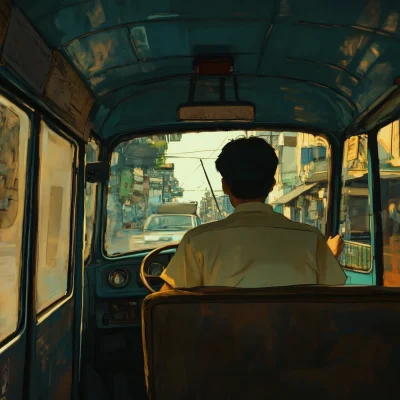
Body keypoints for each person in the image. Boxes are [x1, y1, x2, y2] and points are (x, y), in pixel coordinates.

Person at [160, 137, 347, 290]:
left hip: (221, 336)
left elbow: (165, 305)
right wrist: (328, 254)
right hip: (293, 336)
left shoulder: (196, 241)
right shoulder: (311, 239)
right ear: (272, 185)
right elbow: (331, 297)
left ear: (225, 186)